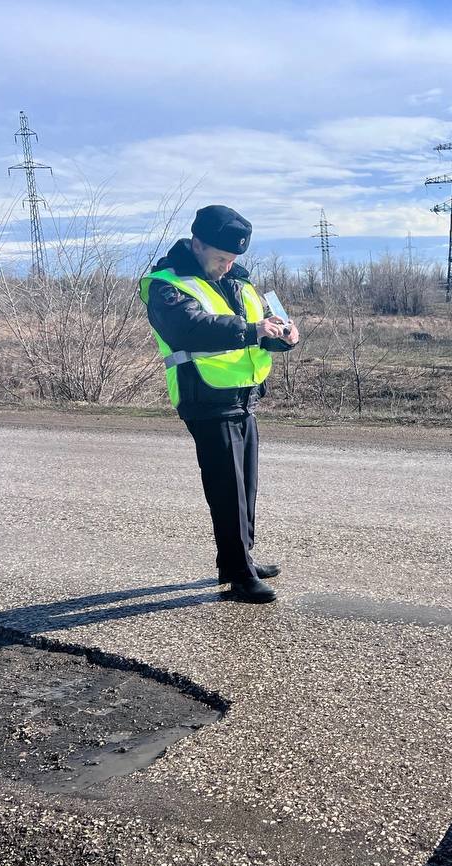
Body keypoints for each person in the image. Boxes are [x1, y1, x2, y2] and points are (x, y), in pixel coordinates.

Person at [139, 205, 299, 603]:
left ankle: (239, 557)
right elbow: (190, 328)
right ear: (197, 244)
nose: (227, 266)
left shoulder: (240, 283)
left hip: (243, 396)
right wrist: (251, 330)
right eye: (221, 258)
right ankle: (239, 575)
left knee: (246, 484)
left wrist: (285, 336)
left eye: (233, 259)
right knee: (227, 488)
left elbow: (262, 327)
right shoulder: (167, 285)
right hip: (205, 397)